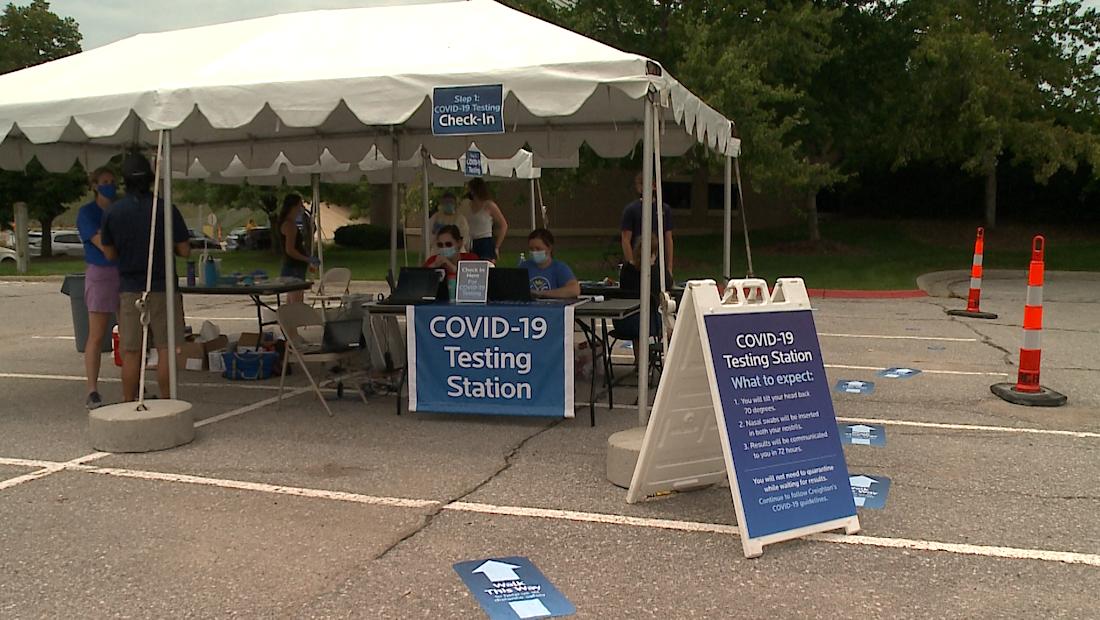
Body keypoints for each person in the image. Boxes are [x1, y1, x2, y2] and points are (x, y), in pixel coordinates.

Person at [100, 153, 191, 402]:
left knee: (131, 352)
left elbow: (109, 253)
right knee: (166, 350)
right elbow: (184, 250)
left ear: (123, 180)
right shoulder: (165, 208)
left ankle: (130, 405)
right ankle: (168, 402)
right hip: (163, 287)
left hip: (130, 289)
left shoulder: (113, 213)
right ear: (152, 178)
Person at [76, 167, 121, 409]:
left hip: (123, 273)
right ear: (94, 185)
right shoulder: (87, 213)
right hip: (101, 272)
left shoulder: (119, 210)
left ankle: (134, 382)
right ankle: (92, 389)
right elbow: (104, 245)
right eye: (105, 181)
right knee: (96, 334)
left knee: (129, 332)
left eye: (112, 181)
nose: (109, 185)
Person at [613, 234, 674, 365]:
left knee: (639, 318)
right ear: (654, 253)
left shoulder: (626, 270)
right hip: (647, 322)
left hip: (622, 322)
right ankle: (669, 361)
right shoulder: (657, 271)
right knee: (667, 320)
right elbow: (669, 286)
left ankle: (640, 361)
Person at [276, 194, 320, 342]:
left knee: (291, 303)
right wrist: (306, 258)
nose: (302, 208)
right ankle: (292, 336)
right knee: (295, 305)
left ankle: (291, 335)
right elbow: (290, 250)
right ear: (293, 206)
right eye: (300, 205)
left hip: (295, 267)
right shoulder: (290, 225)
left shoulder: (289, 223)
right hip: (293, 267)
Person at [620, 172, 674, 276]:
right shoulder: (631, 210)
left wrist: (669, 268)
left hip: (658, 264)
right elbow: (625, 240)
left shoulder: (664, 209)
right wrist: (632, 264)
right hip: (638, 262)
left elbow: (668, 239)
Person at [520, 228, 580, 299]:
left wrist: (541, 293)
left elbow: (574, 290)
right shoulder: (524, 266)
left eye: (538, 249)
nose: (534, 252)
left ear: (549, 248)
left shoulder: (560, 268)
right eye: (531, 249)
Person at [423, 225, 478, 298]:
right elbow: (420, 281)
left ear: (459, 243)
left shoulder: (471, 259)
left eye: (448, 244)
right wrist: (433, 266)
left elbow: (476, 282)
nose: (444, 248)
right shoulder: (433, 260)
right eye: (440, 245)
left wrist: (452, 267)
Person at [466, 177, 508, 262]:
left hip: (486, 241)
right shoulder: (469, 205)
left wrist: (497, 247)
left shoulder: (489, 205)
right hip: (473, 241)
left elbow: (504, 225)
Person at [426, 192, 470, 257]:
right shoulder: (436, 217)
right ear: (442, 203)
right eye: (446, 201)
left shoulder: (460, 219)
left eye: (450, 201)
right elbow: (428, 238)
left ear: (454, 203)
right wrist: (434, 232)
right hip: (438, 252)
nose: (448, 203)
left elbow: (464, 237)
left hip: (456, 252)